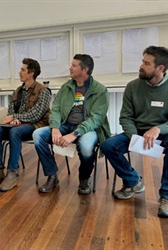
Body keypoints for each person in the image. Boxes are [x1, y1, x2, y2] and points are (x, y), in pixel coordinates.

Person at [100, 46, 168, 218]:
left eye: (146, 63)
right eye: (142, 61)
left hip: (163, 132)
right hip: (137, 132)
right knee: (108, 145)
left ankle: (165, 197)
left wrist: (158, 129)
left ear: (160, 68)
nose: (141, 66)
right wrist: (135, 137)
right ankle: (133, 182)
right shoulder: (133, 86)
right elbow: (125, 117)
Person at [33, 54, 111, 194]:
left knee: (86, 147)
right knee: (38, 134)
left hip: (87, 129)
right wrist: (55, 128)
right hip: (65, 124)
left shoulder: (100, 90)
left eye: (74, 65)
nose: (70, 68)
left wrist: (74, 134)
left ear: (85, 70)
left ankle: (84, 178)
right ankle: (52, 176)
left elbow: (96, 119)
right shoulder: (66, 87)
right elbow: (55, 109)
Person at [0, 58, 51, 192]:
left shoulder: (43, 91)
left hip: (36, 125)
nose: (20, 72)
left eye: (23, 70)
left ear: (31, 73)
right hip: (18, 124)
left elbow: (36, 115)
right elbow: (10, 112)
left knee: (15, 132)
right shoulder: (17, 91)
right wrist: (13, 119)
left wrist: (16, 118)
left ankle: (12, 173)